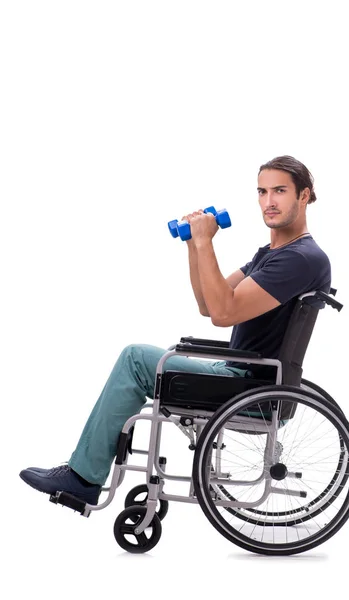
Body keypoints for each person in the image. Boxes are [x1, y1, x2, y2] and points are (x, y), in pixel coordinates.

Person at [19, 155, 331, 506]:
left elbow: (224, 313)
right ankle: (84, 474)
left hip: (248, 385)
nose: (269, 202)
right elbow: (208, 304)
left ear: (304, 196)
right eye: (262, 191)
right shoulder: (274, 253)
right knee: (147, 358)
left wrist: (205, 242)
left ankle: (83, 478)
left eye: (280, 191)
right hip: (241, 375)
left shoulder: (299, 259)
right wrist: (192, 245)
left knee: (136, 358)